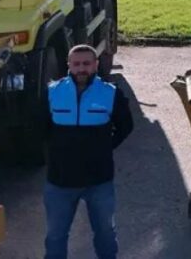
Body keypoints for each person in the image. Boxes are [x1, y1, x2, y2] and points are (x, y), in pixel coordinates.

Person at [44, 44, 133, 259]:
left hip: (99, 181)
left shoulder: (111, 94)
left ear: (95, 65)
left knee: (105, 234)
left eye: (86, 63)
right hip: (59, 182)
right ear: (69, 65)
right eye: (76, 64)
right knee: (56, 236)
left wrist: (104, 147)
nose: (81, 68)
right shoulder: (52, 92)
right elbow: (41, 127)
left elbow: (125, 126)